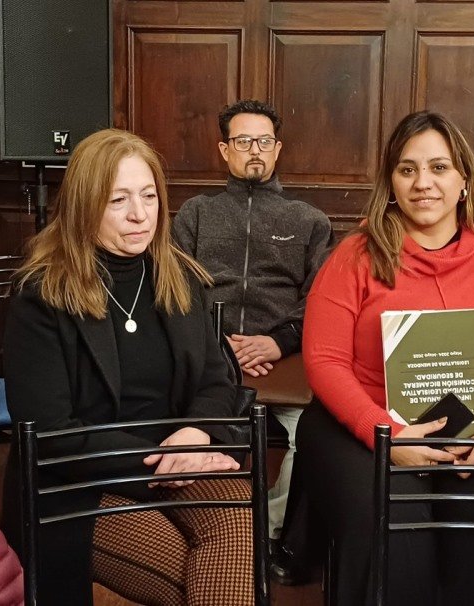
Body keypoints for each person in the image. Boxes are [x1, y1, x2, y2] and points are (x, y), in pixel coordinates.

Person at [298, 110, 474, 605]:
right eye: (407, 169)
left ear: (464, 181)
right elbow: (325, 361)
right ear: (391, 184)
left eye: (439, 168)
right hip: (362, 428)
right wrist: (385, 436)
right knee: (397, 530)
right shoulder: (355, 255)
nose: (423, 183)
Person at [3, 129, 253, 606]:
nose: (140, 214)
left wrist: (198, 432)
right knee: (191, 578)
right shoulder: (41, 294)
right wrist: (161, 460)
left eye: (149, 196)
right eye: (118, 200)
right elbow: (50, 432)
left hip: (180, 455)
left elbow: (215, 380)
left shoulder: (179, 278)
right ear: (84, 206)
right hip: (82, 479)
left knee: (237, 521)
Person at [172, 99, 332, 581]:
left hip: (284, 360)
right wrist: (220, 342)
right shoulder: (196, 214)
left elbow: (321, 297)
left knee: (315, 437)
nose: (254, 150)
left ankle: (265, 528)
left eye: (264, 141)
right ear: (225, 150)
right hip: (207, 356)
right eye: (243, 141)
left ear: (277, 148)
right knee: (180, 423)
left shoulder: (309, 220)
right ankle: (211, 524)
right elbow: (175, 288)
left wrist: (278, 341)